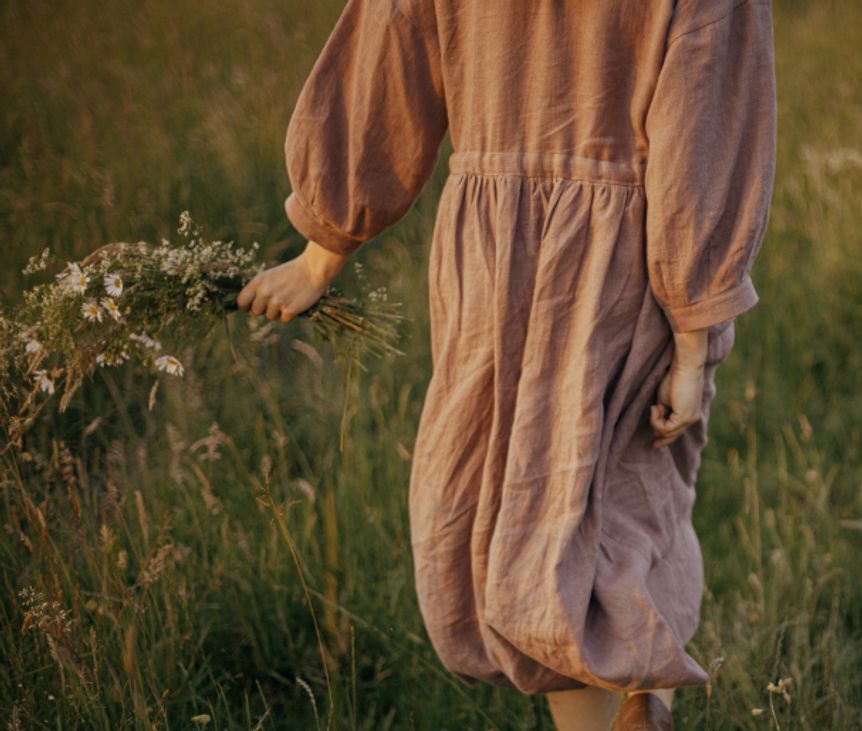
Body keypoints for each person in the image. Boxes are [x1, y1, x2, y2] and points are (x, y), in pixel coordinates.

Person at [235, 0, 776, 728]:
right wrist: (692, 333)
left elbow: (390, 47)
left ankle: (603, 710)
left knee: (526, 505)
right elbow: (703, 120)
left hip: (492, 257)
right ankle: (644, 693)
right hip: (628, 253)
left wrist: (323, 249)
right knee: (629, 490)